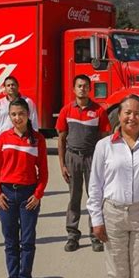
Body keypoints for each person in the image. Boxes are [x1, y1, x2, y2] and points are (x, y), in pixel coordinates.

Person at [87, 95, 139, 278]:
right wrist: (96, 219)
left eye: (138, 113)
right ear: (119, 115)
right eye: (128, 112)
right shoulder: (104, 146)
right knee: (118, 273)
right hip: (113, 215)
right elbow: (95, 186)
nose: (132, 117)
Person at [0, 98, 48, 278]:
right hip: (6, 195)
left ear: (28, 114)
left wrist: (38, 194)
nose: (17, 118)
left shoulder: (37, 139)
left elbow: (44, 171)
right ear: (9, 116)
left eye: (21, 114)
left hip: (28, 196)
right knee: (10, 242)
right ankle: (13, 277)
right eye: (13, 114)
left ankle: (25, 277)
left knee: (28, 242)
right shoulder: (3, 138)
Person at [56, 74, 111, 252]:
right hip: (73, 158)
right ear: (74, 89)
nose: (83, 88)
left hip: (92, 159)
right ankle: (72, 235)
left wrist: (104, 163)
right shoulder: (66, 111)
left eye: (86, 86)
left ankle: (95, 235)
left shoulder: (99, 111)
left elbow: (104, 139)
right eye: (79, 86)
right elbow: (61, 139)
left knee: (94, 197)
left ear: (90, 89)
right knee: (74, 198)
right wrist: (62, 164)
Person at [0, 76, 38, 146]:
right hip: (4, 140)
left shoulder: (28, 102)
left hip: (23, 138)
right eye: (8, 85)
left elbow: (33, 122)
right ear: (5, 88)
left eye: (13, 85)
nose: (11, 87)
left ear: (18, 86)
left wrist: (33, 138)